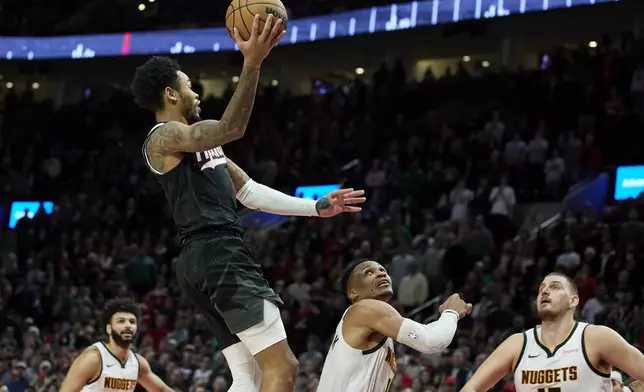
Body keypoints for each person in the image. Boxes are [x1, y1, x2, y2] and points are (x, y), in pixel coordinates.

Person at [130, 14, 366, 392]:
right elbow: (231, 127)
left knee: (249, 376)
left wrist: (314, 207)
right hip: (218, 253)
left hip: (201, 261)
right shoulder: (164, 137)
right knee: (283, 368)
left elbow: (249, 191)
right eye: (190, 87)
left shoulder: (200, 144)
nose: (197, 94)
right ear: (171, 94)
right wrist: (252, 63)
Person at [461, 272, 644, 392]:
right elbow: (471, 389)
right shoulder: (517, 344)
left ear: (573, 301)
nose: (545, 291)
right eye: (541, 289)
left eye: (555, 287)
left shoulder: (596, 338)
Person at [317, 259, 472, 391]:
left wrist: (443, 319)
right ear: (353, 293)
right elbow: (433, 341)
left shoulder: (365, 322)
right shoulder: (365, 308)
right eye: (368, 272)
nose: (381, 273)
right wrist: (452, 313)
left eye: (382, 270)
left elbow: (426, 333)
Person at [59, 299, 173, 392]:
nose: (128, 325)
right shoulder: (93, 358)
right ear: (109, 329)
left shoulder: (138, 363)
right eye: (121, 321)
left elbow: (161, 390)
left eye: (132, 322)